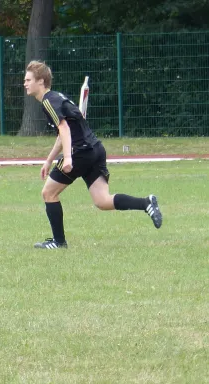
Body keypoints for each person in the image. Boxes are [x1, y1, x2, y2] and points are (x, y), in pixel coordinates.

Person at [23, 60, 162, 249]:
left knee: (48, 192)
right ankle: (146, 203)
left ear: (41, 81)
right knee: (103, 201)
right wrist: (48, 161)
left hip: (80, 152)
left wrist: (69, 158)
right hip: (95, 149)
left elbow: (64, 128)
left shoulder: (48, 101)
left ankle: (59, 242)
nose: (25, 83)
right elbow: (63, 133)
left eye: (28, 79)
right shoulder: (57, 98)